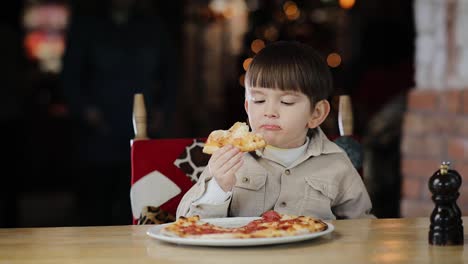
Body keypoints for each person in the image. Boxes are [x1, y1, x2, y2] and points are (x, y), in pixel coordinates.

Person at [177, 41, 373, 220]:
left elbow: (362, 228)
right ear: (247, 106)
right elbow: (186, 222)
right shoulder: (230, 159)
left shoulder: (336, 162)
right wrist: (219, 186)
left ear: (316, 114)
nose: (269, 112)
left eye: (286, 102)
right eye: (259, 100)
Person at [61, 0, 177, 225]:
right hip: (99, 133)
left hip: (143, 131)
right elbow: (70, 77)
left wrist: (164, 111)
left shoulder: (152, 26)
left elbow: (171, 74)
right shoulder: (87, 26)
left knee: (141, 206)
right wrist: (87, 111)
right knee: (96, 209)